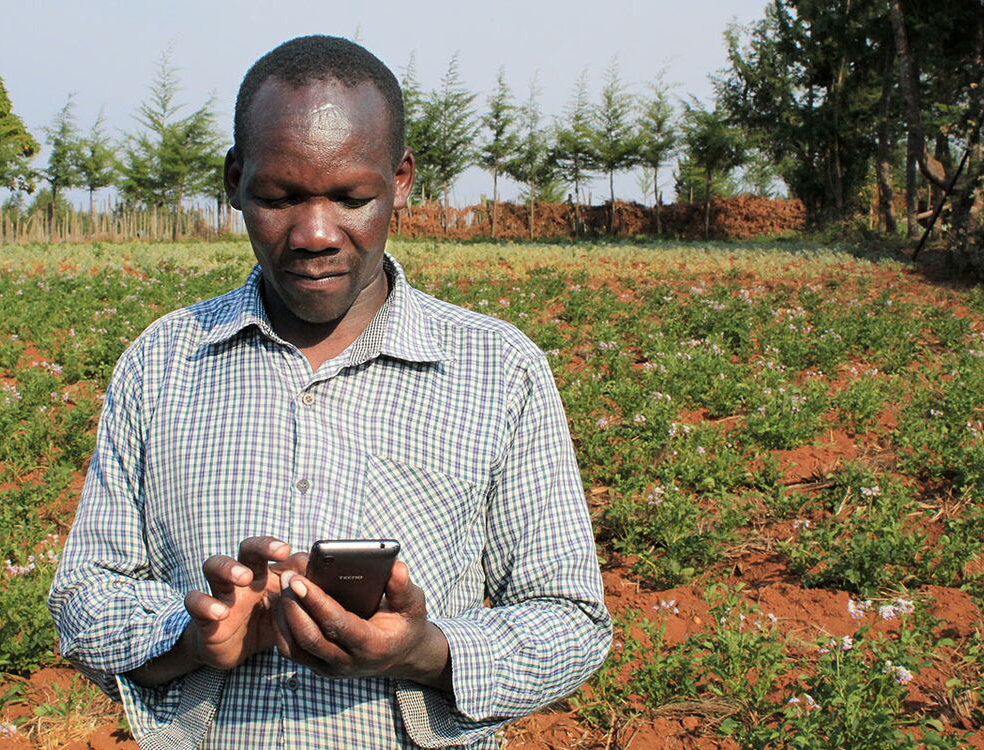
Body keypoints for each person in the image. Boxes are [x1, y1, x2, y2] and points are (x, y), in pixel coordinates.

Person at [47, 35, 610, 749]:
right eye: (279, 198)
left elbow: (571, 620)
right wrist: (191, 638)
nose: (314, 234)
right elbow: (83, 598)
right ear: (234, 180)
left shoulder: (499, 370)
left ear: (401, 180)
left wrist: (425, 651)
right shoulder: (163, 362)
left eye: (351, 197)